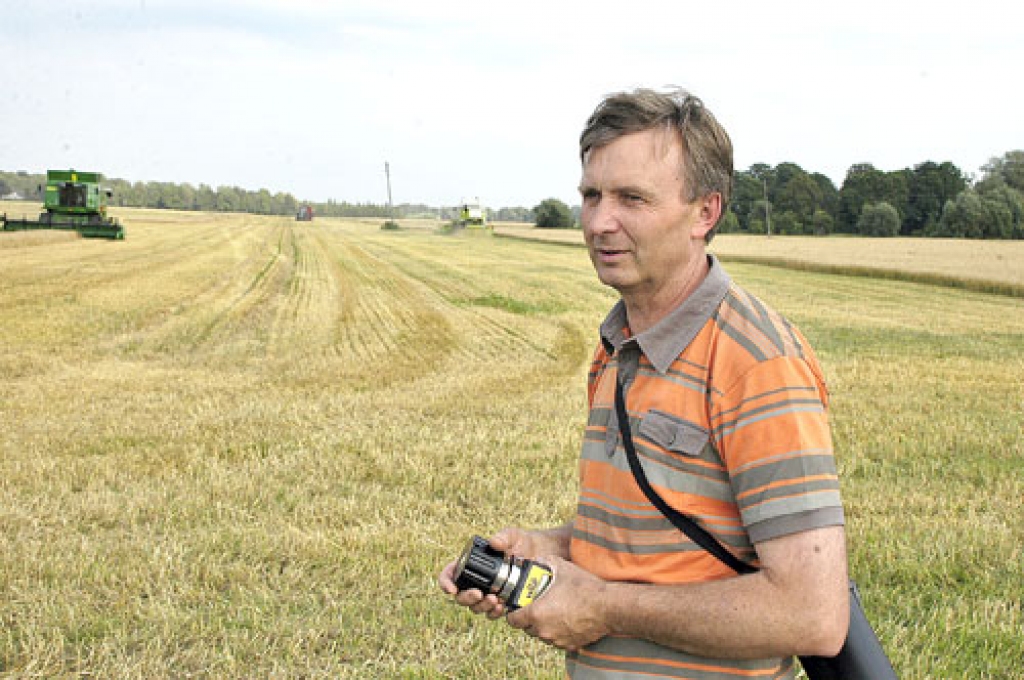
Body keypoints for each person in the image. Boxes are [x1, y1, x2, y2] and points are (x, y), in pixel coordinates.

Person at [439, 87, 850, 679]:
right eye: (591, 195)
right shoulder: (615, 351)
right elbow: (661, 538)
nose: (600, 222)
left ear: (704, 212)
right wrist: (548, 548)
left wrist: (602, 606)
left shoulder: (757, 366)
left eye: (631, 198)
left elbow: (812, 613)